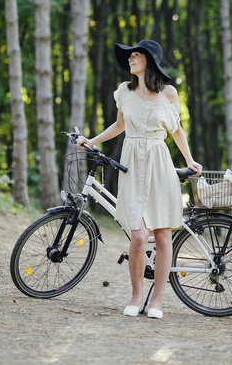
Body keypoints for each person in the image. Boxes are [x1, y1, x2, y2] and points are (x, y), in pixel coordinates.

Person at [77, 39, 202, 319]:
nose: (130, 59)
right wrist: (92, 140)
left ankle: (156, 300)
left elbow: (177, 130)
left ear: (150, 61)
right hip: (133, 162)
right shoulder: (124, 91)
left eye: (135, 55)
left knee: (162, 236)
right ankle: (135, 296)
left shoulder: (169, 94)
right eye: (130, 56)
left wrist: (189, 159)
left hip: (159, 163)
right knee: (138, 236)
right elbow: (120, 126)